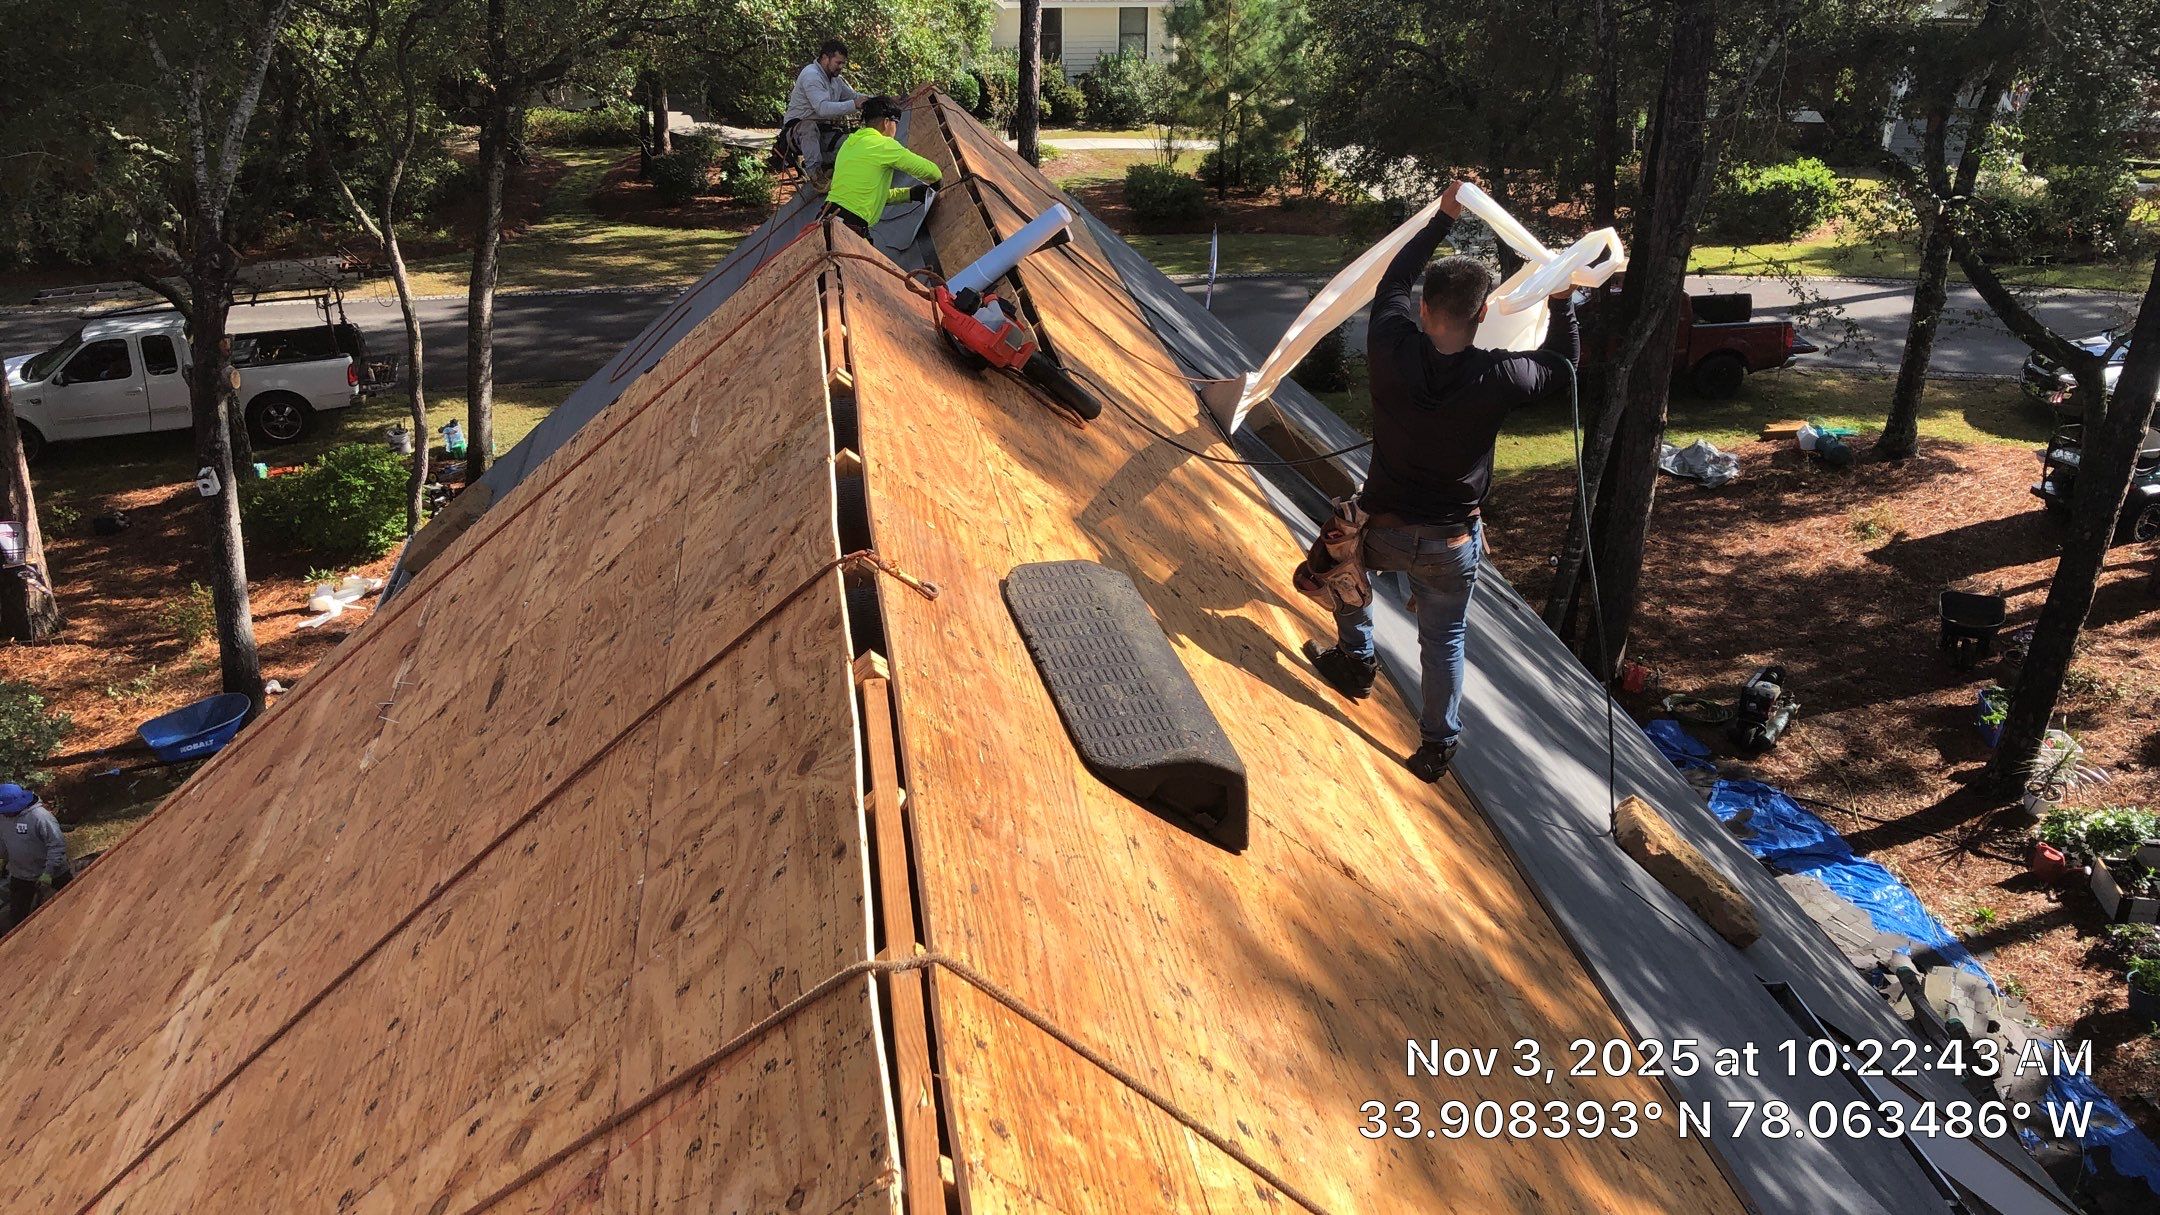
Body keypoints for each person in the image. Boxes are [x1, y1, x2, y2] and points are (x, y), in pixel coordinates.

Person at [1306, 180, 1581, 783]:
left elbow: (1391, 283)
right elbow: (1562, 365)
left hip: (1382, 530)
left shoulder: (1388, 343)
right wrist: (1561, 302)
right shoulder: (1502, 375)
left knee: (1335, 562)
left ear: (1424, 310)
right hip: (1451, 545)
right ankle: (1437, 745)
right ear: (1483, 315)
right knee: (1444, 641)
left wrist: (1442, 217)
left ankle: (1356, 660)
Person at [825, 95, 942, 236]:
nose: (895, 130)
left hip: (826, 214)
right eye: (896, 124)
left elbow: (870, 195)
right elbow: (930, 171)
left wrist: (909, 194)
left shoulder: (850, 142)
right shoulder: (884, 144)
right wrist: (937, 181)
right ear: (887, 122)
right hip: (851, 225)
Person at [783, 39, 864, 187]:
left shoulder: (835, 81)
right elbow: (823, 109)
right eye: (838, 63)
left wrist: (884, 100)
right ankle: (815, 173)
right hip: (797, 134)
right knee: (808, 127)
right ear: (825, 58)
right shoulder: (811, 75)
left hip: (823, 132)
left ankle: (826, 164)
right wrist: (854, 105)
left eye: (843, 64)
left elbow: (855, 97)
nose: (841, 67)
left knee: (852, 143)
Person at [1, 782, 71, 931]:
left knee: (75, 899)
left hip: (54, 873)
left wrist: (48, 873)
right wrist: (5, 860)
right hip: (21, 875)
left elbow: (56, 845)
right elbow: (3, 841)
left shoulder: (40, 817)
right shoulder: (3, 817)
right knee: (18, 920)